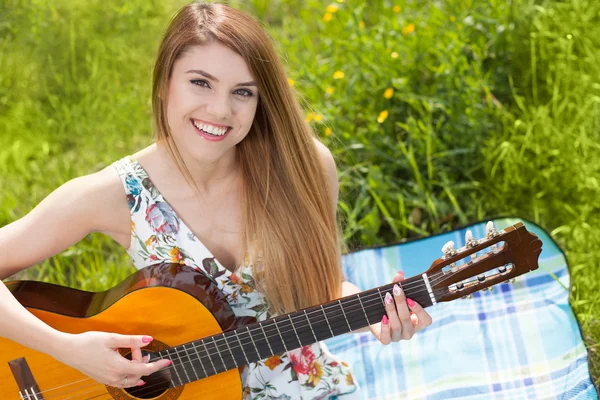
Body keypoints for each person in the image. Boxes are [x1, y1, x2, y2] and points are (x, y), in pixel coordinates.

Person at [0, 1, 432, 398]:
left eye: (243, 92)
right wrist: (66, 349)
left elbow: (321, 284)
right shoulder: (116, 195)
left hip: (299, 387)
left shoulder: (305, 169)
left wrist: (373, 313)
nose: (220, 110)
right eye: (200, 83)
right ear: (165, 82)